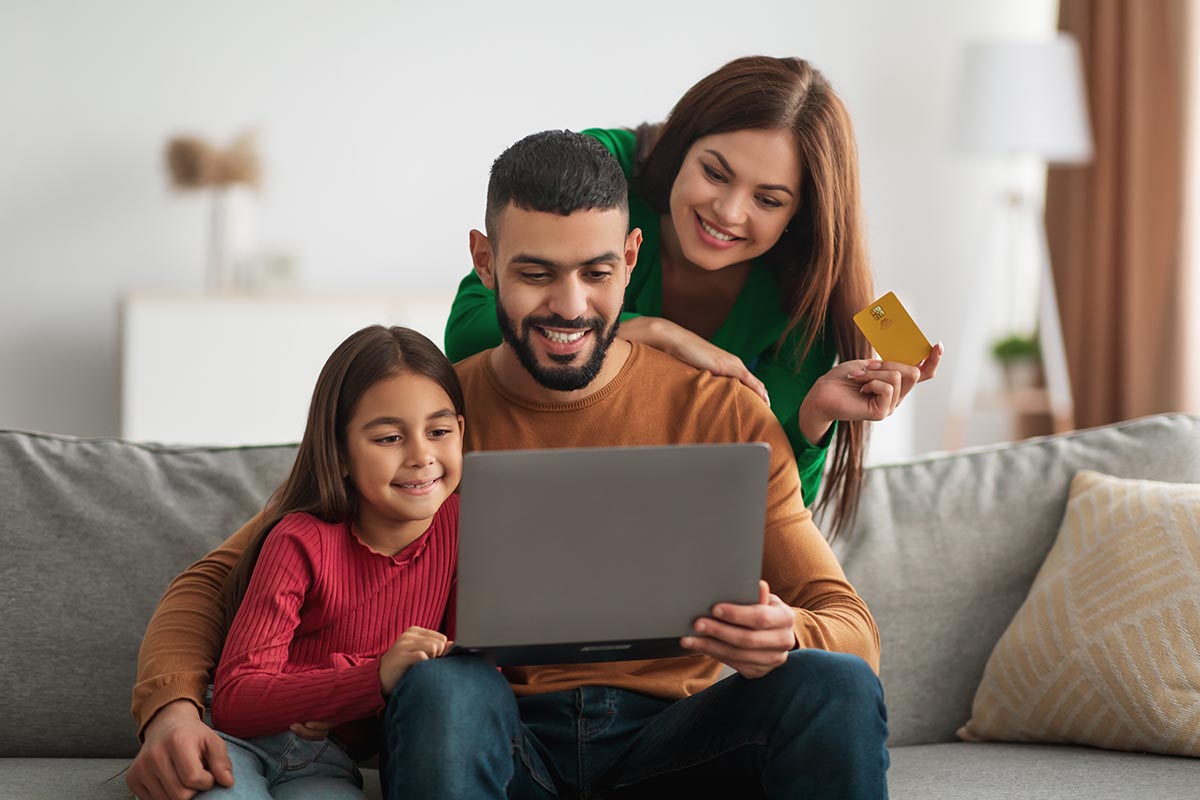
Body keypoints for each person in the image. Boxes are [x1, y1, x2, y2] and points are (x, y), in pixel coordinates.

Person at [127, 130, 888, 800]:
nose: (569, 306)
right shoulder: (425, 425)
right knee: (444, 685)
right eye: (535, 274)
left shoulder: (725, 413)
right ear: (484, 263)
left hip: (674, 741)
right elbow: (213, 581)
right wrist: (172, 710)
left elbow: (853, 626)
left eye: (596, 273)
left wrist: (789, 634)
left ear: (630, 260)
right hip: (488, 732)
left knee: (836, 685)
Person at [446, 55, 941, 537]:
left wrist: (817, 416)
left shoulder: (801, 291)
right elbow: (469, 331)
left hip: (666, 527)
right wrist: (655, 333)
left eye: (767, 200)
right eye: (715, 173)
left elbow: (775, 513)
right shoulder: (604, 175)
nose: (727, 211)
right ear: (682, 144)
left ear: (800, 214)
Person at [129, 326, 466, 800]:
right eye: (389, 437)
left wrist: (354, 689)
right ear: (339, 451)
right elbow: (236, 701)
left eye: (439, 431)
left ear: (461, 431)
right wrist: (370, 675)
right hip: (239, 743)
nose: (421, 456)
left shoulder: (461, 528)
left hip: (326, 762)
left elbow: (454, 670)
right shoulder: (300, 538)